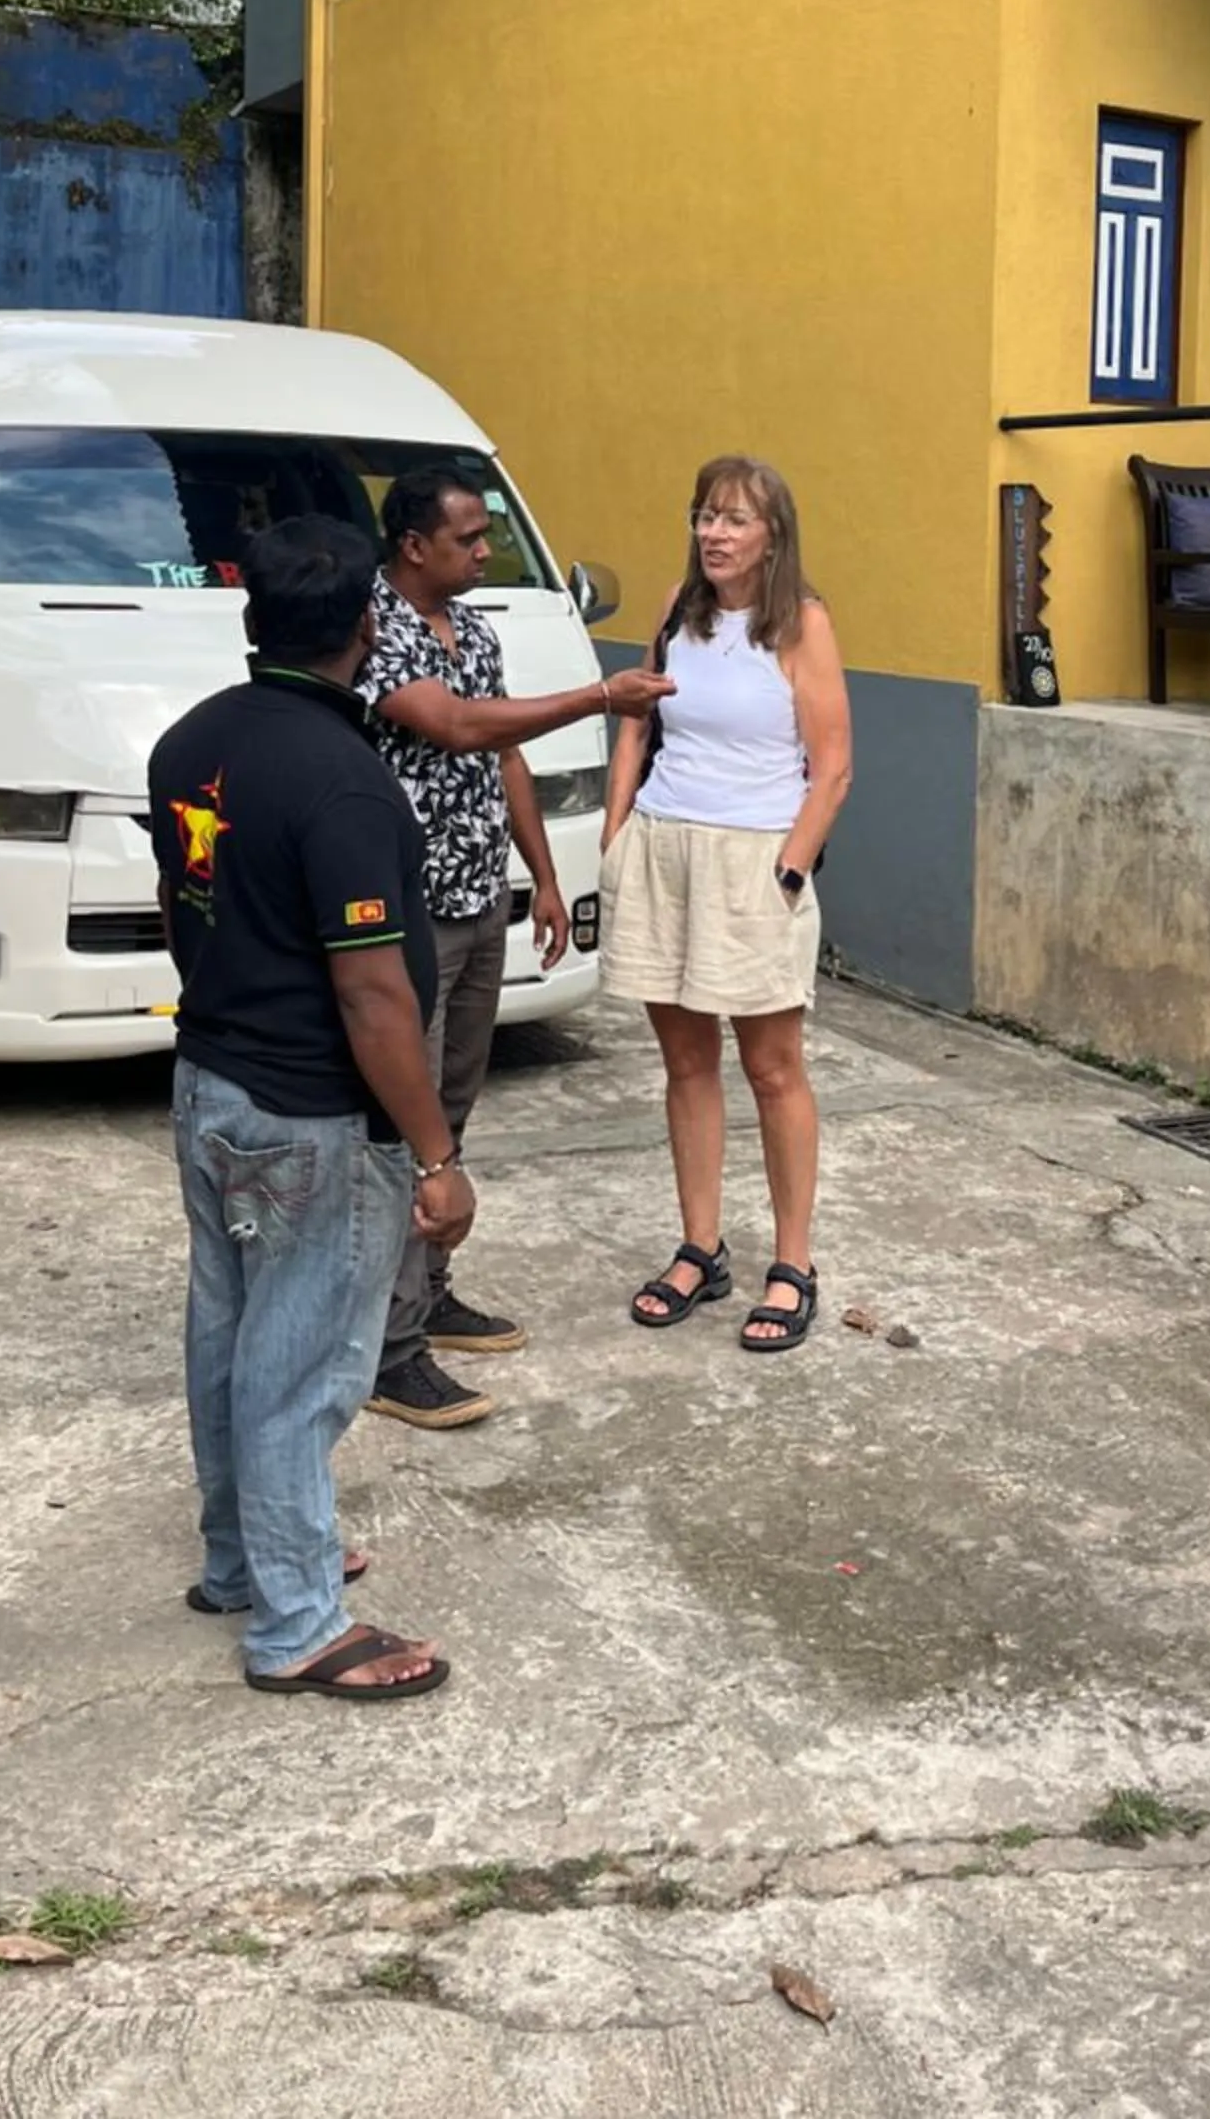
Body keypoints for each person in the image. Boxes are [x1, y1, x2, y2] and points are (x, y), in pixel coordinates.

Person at [148, 515, 471, 1701]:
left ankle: (246, 1560)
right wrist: (435, 1155)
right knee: (300, 1370)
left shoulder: (190, 745)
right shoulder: (346, 782)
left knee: (231, 1340)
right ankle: (297, 1624)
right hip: (309, 1118)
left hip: (211, 1089)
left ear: (252, 617)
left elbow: (200, 909)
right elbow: (374, 993)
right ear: (368, 625)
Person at [357, 464, 674, 1429]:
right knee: (405, 1128)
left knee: (453, 1104)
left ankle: (428, 1288)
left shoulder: (477, 629)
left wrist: (538, 874)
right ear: (414, 546)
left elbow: (503, 759)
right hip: (403, 915)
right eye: (468, 538)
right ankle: (385, 1348)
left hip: (476, 901)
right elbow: (451, 726)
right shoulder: (374, 627)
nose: (485, 551)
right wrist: (596, 698)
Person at [602, 456, 852, 1353]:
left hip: (753, 861)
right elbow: (638, 714)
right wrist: (617, 826)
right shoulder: (679, 606)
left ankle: (794, 1264)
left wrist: (787, 872)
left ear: (772, 535)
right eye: (705, 515)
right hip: (665, 848)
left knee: (773, 1067)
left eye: (736, 520)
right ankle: (700, 1249)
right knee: (685, 1062)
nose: (715, 533)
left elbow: (834, 769)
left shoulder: (802, 625)